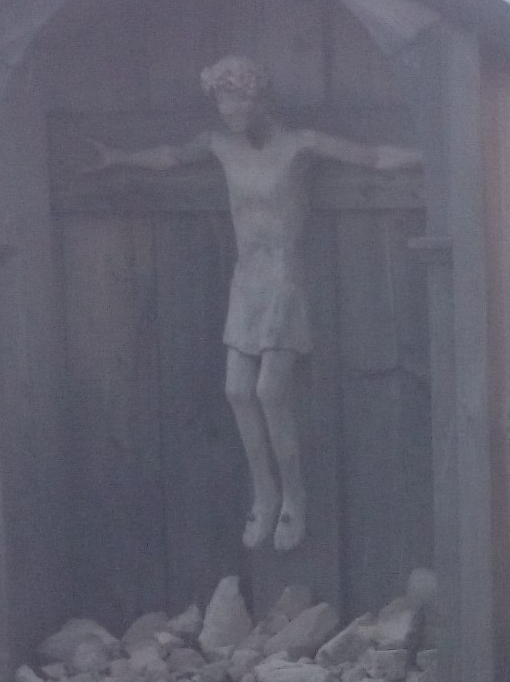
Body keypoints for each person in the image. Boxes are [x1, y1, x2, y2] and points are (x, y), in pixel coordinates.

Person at [88, 54, 420, 552]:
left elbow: (372, 157)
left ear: (256, 98)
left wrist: (431, 155)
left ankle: (295, 496)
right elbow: (170, 156)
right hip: (246, 282)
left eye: (235, 103)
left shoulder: (300, 145)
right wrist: (116, 158)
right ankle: (265, 493)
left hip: (284, 280)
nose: (228, 114)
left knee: (269, 390)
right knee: (236, 390)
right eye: (221, 105)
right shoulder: (220, 146)